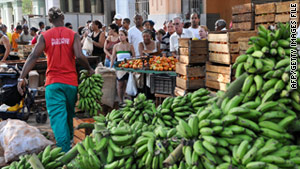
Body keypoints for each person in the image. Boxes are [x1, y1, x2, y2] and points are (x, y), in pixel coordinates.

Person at [17, 7, 94, 152]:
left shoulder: (44, 36)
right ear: (63, 18)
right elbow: (79, 55)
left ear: (50, 20)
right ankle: (70, 142)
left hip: (53, 83)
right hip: (71, 83)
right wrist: (89, 68)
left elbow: (33, 56)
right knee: (69, 114)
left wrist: (21, 77)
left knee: (58, 117)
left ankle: (64, 151)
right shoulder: (73, 35)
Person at [110, 30, 135, 106]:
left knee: (129, 83)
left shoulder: (130, 46)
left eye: (122, 35)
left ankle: (129, 101)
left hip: (128, 67)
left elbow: (134, 56)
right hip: (120, 68)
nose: (120, 37)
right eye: (119, 35)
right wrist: (111, 67)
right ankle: (121, 101)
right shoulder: (116, 46)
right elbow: (113, 57)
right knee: (120, 84)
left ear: (126, 36)